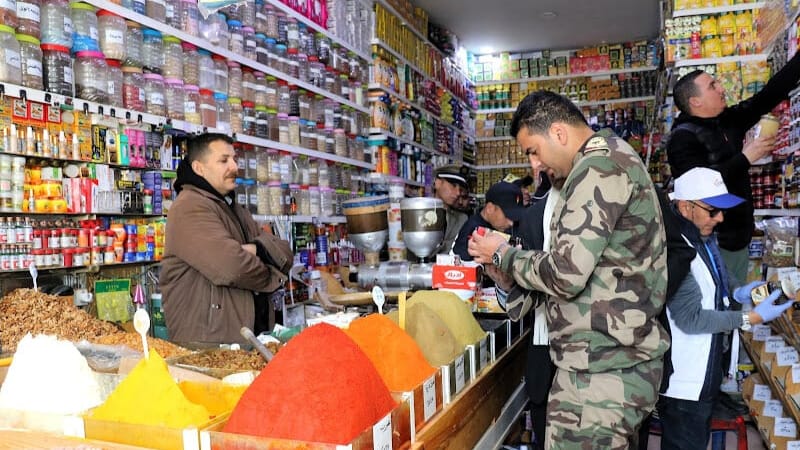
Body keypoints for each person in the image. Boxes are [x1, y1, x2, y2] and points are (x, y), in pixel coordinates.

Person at [468, 90, 669, 449]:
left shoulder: (597, 168)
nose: (534, 165)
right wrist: (505, 275)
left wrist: (503, 254)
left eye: (533, 150)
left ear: (558, 133)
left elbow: (566, 273)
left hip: (603, 374)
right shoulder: (600, 164)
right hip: (597, 365)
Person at [657, 167, 792, 450]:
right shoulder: (676, 249)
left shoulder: (702, 237)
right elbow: (690, 319)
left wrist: (738, 291)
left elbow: (719, 278)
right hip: (685, 383)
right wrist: (749, 317)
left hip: (704, 377)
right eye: (713, 211)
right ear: (685, 206)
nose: (720, 218)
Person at [666, 52, 800, 282]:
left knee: (735, 302)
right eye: (712, 86)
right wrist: (746, 157)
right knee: (720, 307)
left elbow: (766, 97)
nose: (720, 88)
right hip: (711, 239)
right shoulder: (682, 138)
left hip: (738, 237)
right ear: (695, 101)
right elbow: (699, 189)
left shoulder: (727, 120)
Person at [160, 133, 293, 344]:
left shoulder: (233, 208)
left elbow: (284, 251)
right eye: (224, 160)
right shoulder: (190, 207)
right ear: (198, 168)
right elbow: (232, 268)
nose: (234, 166)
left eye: (234, 159)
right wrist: (271, 271)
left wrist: (258, 250)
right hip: (210, 347)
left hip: (245, 341)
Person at [451, 181, 526, 261]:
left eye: (516, 217)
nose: (511, 223)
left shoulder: (503, 225)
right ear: (490, 208)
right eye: (508, 216)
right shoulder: (473, 230)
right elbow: (462, 261)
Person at [432, 164, 469, 255]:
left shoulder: (461, 219)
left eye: (460, 189)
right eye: (453, 185)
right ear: (438, 183)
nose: (457, 193)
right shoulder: (419, 212)